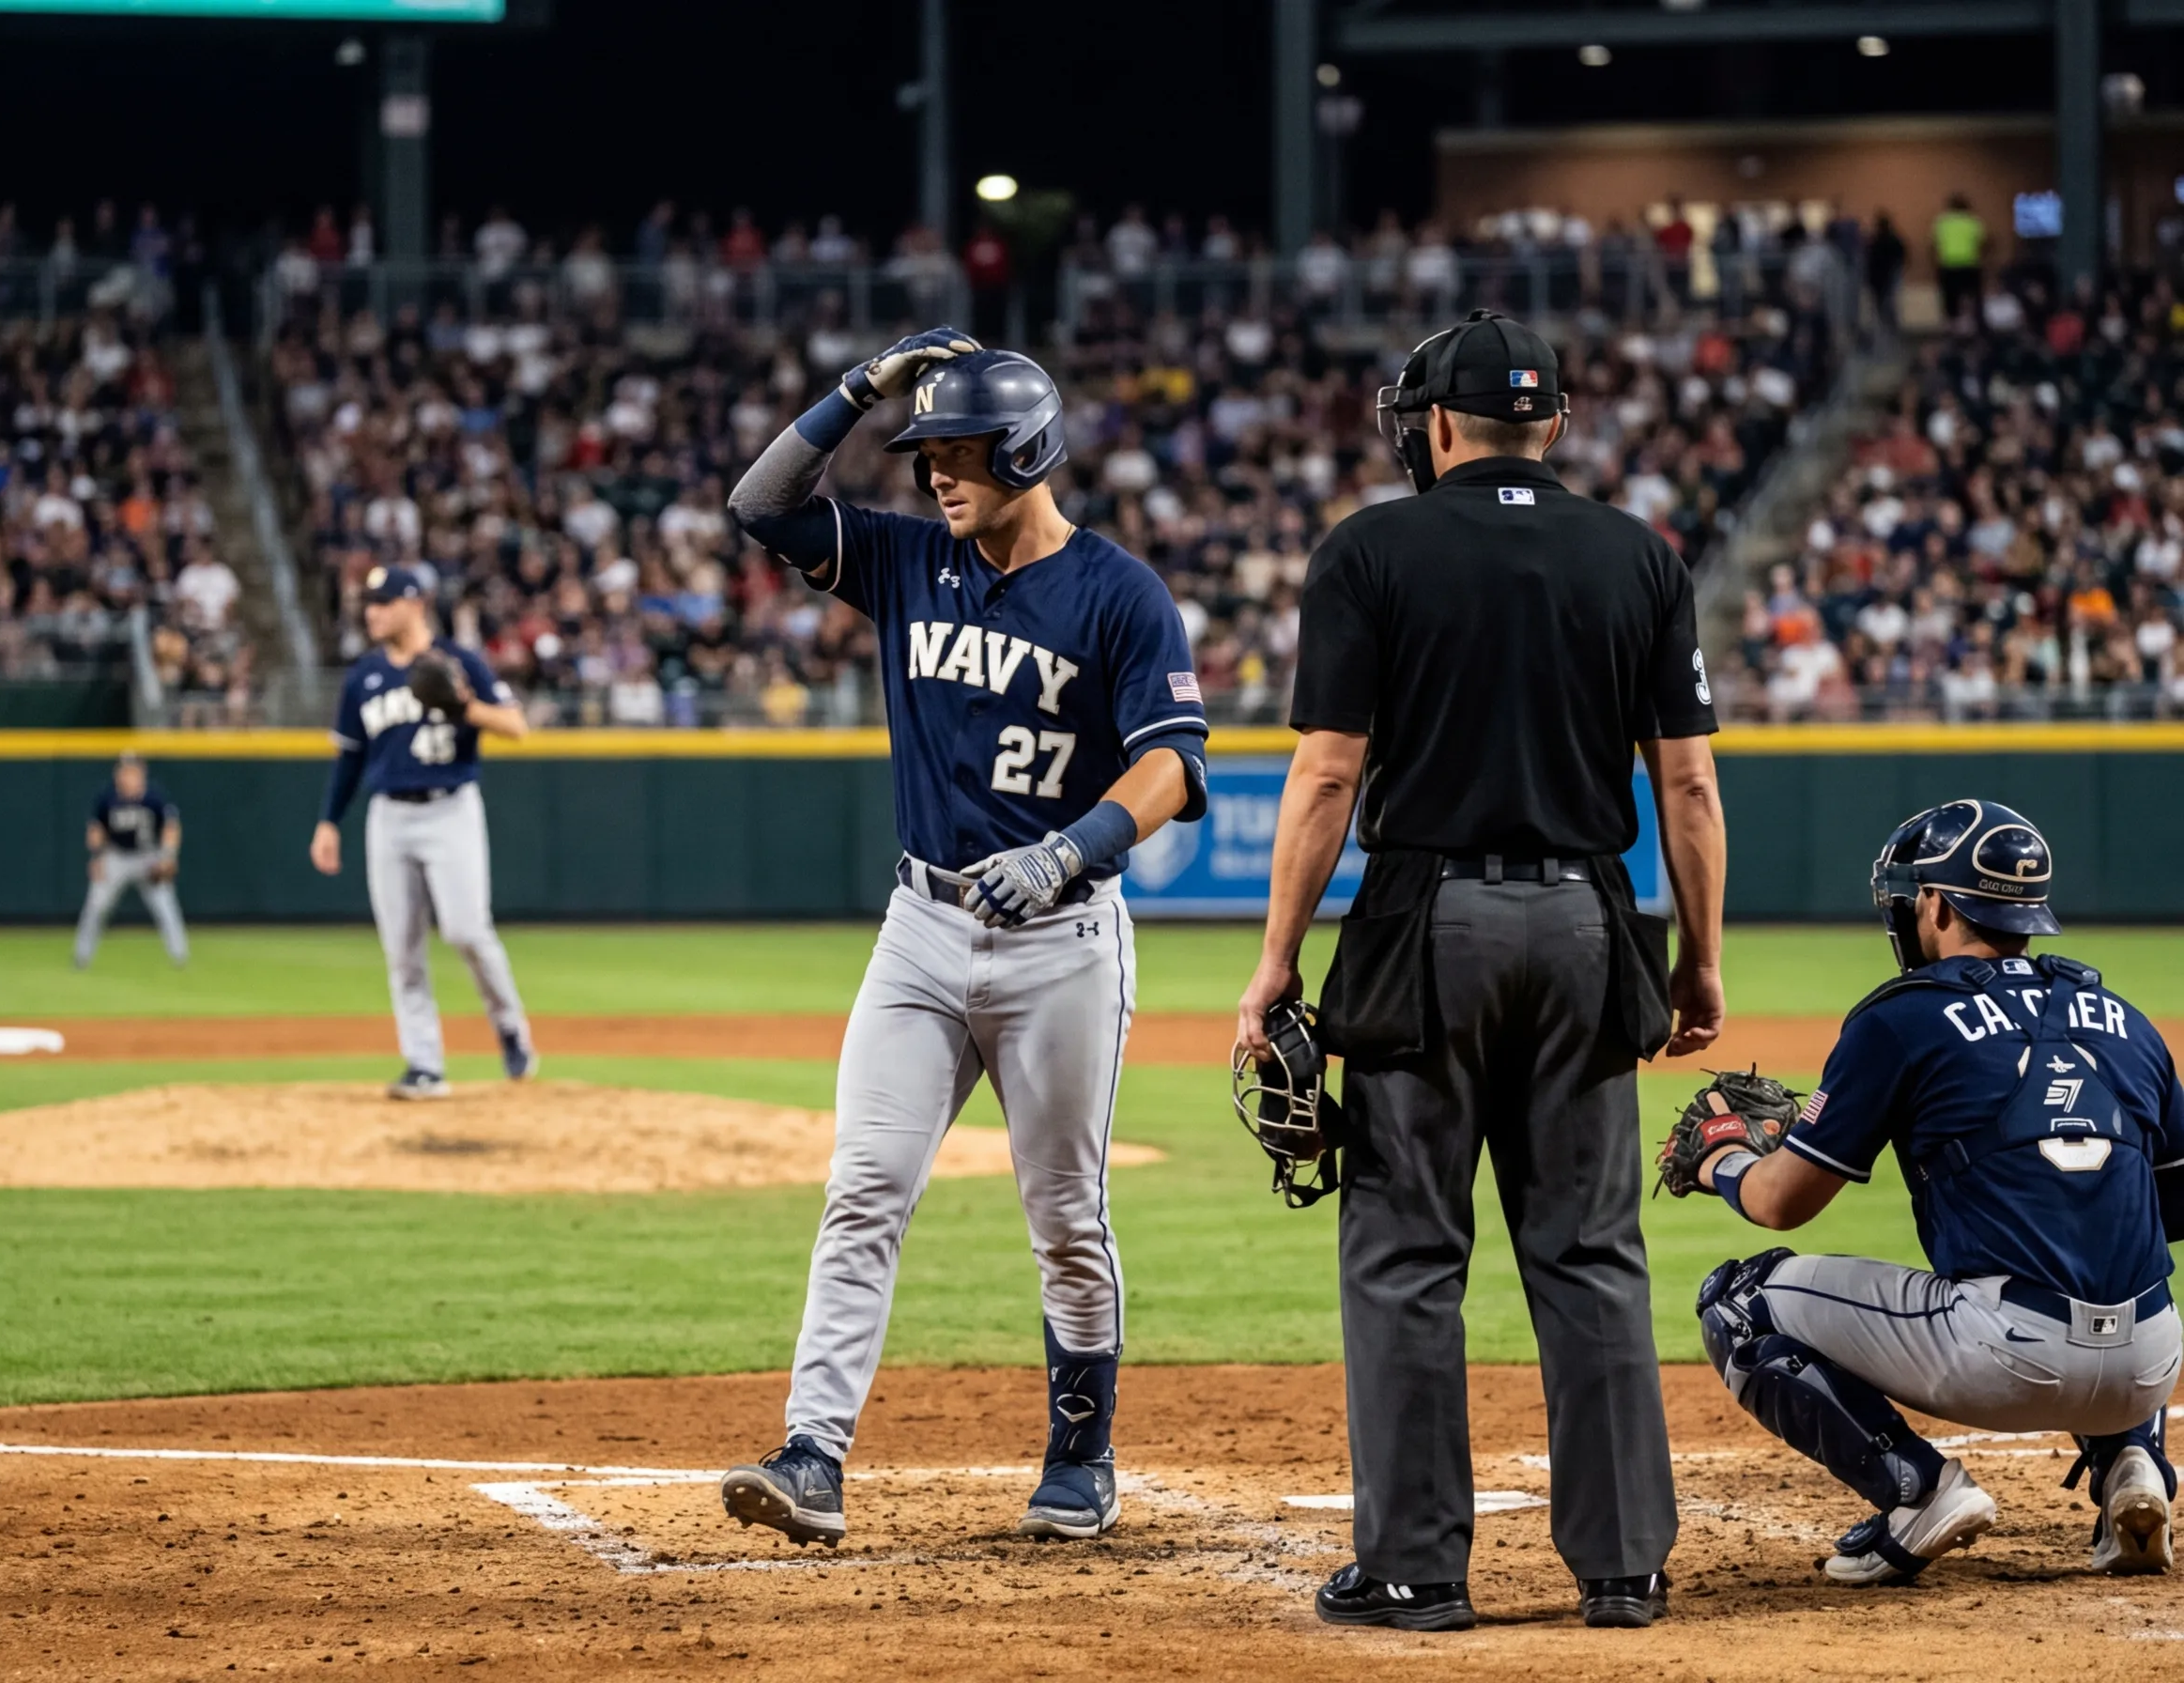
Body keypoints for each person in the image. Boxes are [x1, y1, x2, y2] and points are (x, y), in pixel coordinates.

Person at [1235, 310, 1728, 1631]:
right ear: (1553, 426)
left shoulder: (1370, 550)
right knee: (1591, 1254)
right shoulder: (1641, 556)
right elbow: (1687, 784)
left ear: (1436, 426)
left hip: (1428, 922)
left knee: (1406, 1255)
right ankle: (1623, 1569)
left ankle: (1414, 1570)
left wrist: (1277, 963)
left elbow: (1330, 771)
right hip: (1588, 920)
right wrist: (1699, 963)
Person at [719, 332, 1208, 1547]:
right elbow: (760, 505)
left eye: (956, 452)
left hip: (1063, 944)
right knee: (863, 1191)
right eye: (925, 452)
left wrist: (1069, 848)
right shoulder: (902, 561)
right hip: (920, 933)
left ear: (1027, 450)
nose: (934, 474)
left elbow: (1174, 767)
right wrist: (852, 392)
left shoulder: (1118, 593)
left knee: (1067, 1222)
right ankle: (813, 1456)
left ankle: (1081, 1456)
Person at [1681, 800, 2180, 1584]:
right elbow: (2171, 1207)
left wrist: (1723, 1159)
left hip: (2006, 1357)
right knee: (2100, 1254)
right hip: (2153, 1362)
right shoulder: (2125, 1018)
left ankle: (1920, 1492)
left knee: (1738, 1304)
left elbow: (1782, 1202)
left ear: (1940, 905)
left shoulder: (1904, 1017)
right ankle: (2134, 1463)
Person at [309, 564, 537, 1100]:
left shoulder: (459, 662)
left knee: (465, 931)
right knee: (402, 949)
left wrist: (464, 706)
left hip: (450, 809)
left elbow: (516, 727)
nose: (372, 612)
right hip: (388, 817)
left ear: (416, 604)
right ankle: (424, 1064)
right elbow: (348, 758)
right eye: (368, 602)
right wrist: (328, 821)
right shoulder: (363, 676)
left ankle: (509, 1027)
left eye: (383, 602)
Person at [72, 752, 187, 969]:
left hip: (149, 857)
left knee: (165, 906)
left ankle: (180, 957)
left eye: (133, 771)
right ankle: (81, 957)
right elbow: (96, 830)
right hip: (116, 857)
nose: (128, 776)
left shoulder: (155, 798)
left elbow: (171, 828)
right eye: (125, 771)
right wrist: (97, 858)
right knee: (96, 905)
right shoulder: (107, 798)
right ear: (118, 774)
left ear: (141, 773)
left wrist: (168, 856)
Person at [1930, 193, 1985, 327]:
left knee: (1950, 302)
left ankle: (1952, 328)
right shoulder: (1973, 221)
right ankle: (1974, 326)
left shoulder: (1942, 222)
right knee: (1973, 299)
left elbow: (1934, 244)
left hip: (1948, 266)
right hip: (1970, 265)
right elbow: (1982, 242)